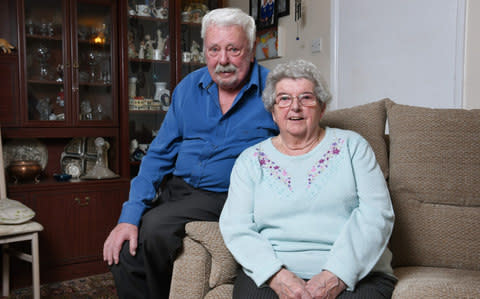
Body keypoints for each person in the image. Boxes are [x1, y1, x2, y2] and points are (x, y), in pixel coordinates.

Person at [103, 8, 278, 299]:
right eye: (214, 50)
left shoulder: (275, 91)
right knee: (123, 249)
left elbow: (298, 145)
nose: (223, 61)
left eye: (233, 50)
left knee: (157, 229)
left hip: (226, 195)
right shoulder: (188, 88)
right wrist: (129, 215)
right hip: (177, 189)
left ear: (251, 50)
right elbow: (158, 155)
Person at [219, 59, 397, 299]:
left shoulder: (352, 147)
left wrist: (336, 275)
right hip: (273, 275)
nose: (295, 107)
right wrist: (276, 275)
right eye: (284, 99)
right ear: (273, 111)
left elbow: (376, 215)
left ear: (321, 108)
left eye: (306, 98)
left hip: (355, 274)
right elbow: (236, 226)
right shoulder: (250, 161)